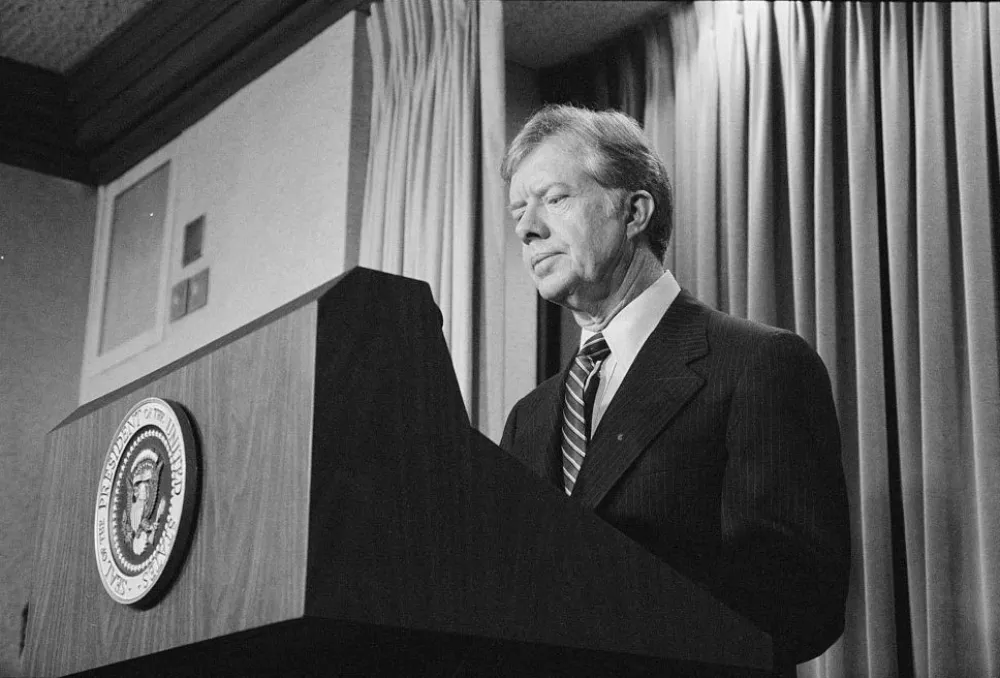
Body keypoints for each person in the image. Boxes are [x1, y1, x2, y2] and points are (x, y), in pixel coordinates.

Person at [499, 104, 850, 670]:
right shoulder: (530, 417)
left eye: (554, 198)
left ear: (634, 210)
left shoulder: (758, 363)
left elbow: (802, 599)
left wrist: (609, 595)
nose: (527, 227)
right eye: (518, 210)